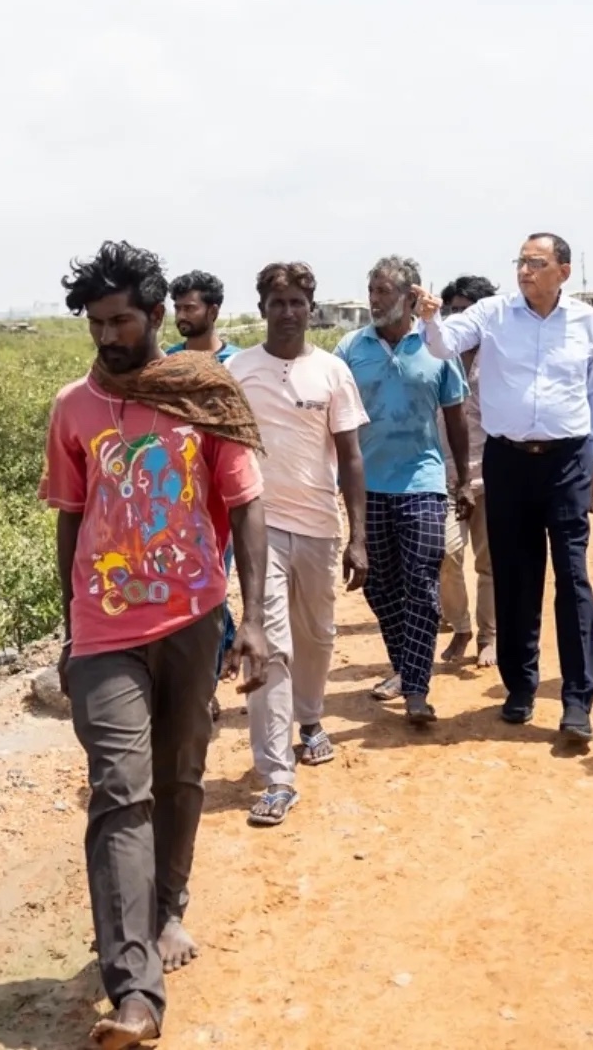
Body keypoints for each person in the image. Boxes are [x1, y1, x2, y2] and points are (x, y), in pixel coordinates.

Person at [40, 241, 270, 1050]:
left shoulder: (203, 392)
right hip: (105, 630)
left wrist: (255, 620)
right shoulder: (73, 407)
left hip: (190, 618)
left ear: (157, 314)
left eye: (122, 320)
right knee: (117, 790)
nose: (107, 335)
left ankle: (171, 903)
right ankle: (135, 990)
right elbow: (72, 517)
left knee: (179, 772)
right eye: (96, 323)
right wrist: (69, 631)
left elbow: (244, 506)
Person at [414, 233, 593, 742]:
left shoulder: (585, 320)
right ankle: (520, 689)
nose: (525, 271)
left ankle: (576, 701)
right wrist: (430, 316)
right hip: (507, 461)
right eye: (521, 262)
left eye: (536, 262)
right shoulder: (493, 313)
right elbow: (441, 345)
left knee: (572, 577)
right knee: (516, 575)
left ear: (563, 271)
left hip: (567, 461)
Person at [227, 261, 369, 826]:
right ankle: (276, 774)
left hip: (319, 523)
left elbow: (352, 458)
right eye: (278, 302)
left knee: (318, 635)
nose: (288, 312)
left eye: (297, 303)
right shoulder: (238, 372)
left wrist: (357, 536)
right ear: (262, 307)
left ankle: (310, 720)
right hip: (259, 527)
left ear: (311, 308)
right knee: (270, 643)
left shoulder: (332, 373)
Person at [335, 256, 472, 725]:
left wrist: (462, 481)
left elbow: (455, 416)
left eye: (384, 292)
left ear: (411, 297)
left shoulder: (436, 348)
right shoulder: (351, 348)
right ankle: (406, 662)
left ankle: (416, 687)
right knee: (378, 585)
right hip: (365, 486)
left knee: (422, 583)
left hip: (423, 481)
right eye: (371, 290)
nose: (374, 300)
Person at [164, 269, 242, 683]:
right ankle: (220, 648)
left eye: (189, 307)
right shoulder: (168, 364)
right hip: (178, 496)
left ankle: (205, 684)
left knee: (212, 584)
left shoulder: (239, 365)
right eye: (177, 307)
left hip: (225, 498)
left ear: (213, 310)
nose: (182, 314)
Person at [436, 275, 499, 669]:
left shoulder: (501, 358)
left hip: (493, 472)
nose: (457, 319)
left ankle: (489, 637)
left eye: (466, 311)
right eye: (452, 311)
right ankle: (459, 625)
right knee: (445, 552)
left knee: (490, 561)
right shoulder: (435, 357)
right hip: (443, 475)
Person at [166, 270, 241, 363]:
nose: (181, 316)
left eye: (189, 308)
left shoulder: (236, 361)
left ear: (213, 312)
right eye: (177, 308)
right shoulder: (169, 359)